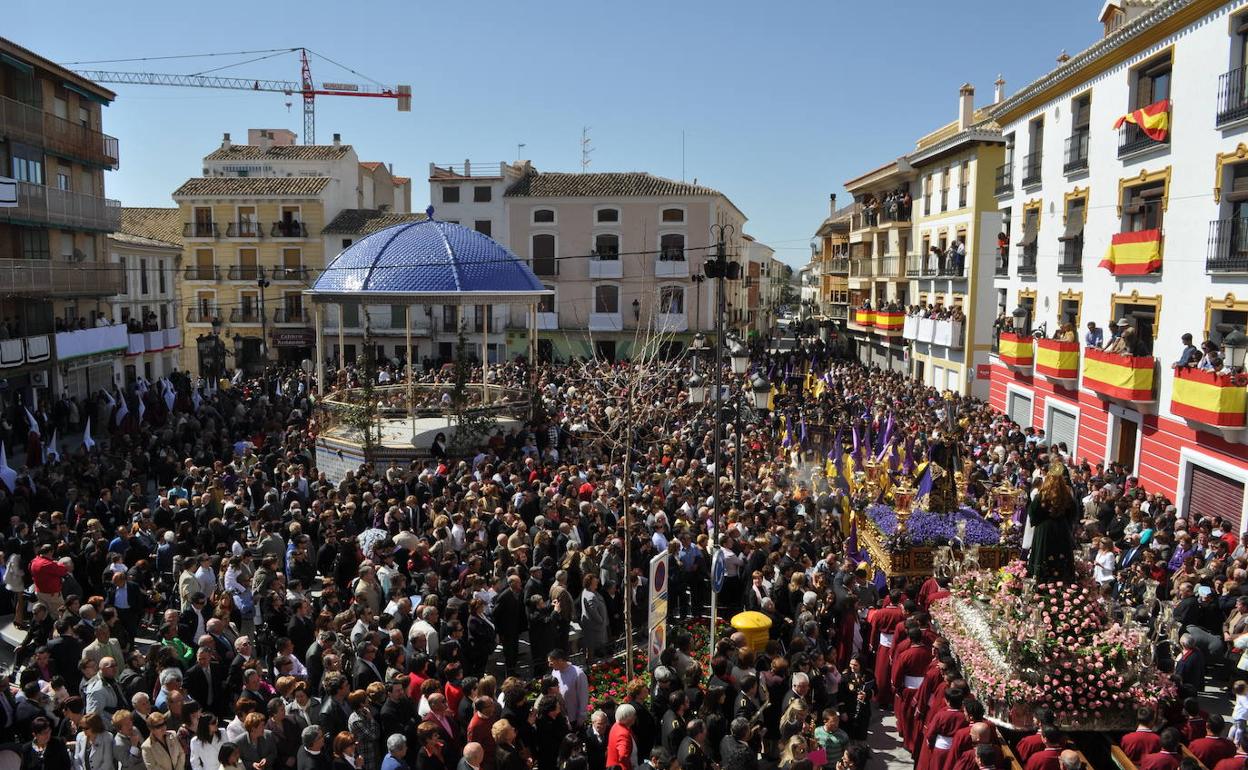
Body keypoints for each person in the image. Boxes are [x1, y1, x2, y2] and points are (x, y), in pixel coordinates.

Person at [1026, 462, 1078, 582]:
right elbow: (1073, 514)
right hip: (1062, 530)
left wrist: (1039, 521)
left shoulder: (1042, 495)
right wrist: (1066, 524)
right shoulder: (1067, 496)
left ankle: (1041, 580)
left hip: (1044, 530)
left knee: (1043, 556)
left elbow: (1033, 512)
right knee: (1061, 557)